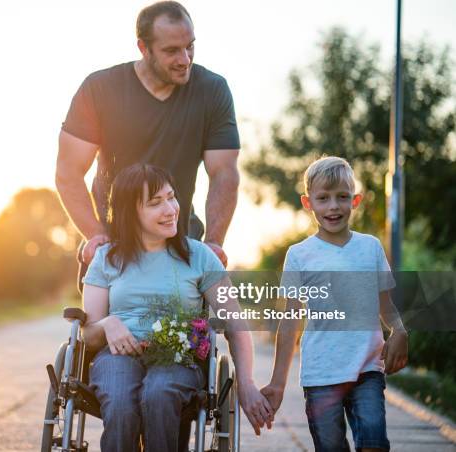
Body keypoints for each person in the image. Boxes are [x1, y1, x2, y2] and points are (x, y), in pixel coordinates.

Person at [81, 164, 273, 452]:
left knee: (159, 394)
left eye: (171, 197)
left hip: (179, 356)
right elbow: (88, 334)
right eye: (156, 203)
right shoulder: (106, 258)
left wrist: (245, 383)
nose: (170, 209)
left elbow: (234, 323)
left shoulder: (199, 256)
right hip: (117, 356)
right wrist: (108, 324)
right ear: (130, 213)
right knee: (120, 402)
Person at [55, 1, 240, 292]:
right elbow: (68, 172)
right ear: (143, 48)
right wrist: (96, 234)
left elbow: (224, 173)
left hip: (180, 240)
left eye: (190, 46)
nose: (185, 59)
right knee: (102, 334)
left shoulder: (212, 90)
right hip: (114, 242)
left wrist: (214, 243)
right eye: (171, 51)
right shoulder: (100, 89)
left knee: (192, 336)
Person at [260, 156, 408, 452]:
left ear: (355, 200)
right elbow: (290, 321)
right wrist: (277, 383)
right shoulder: (299, 255)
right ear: (308, 202)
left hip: (367, 369)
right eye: (323, 198)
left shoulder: (370, 248)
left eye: (342, 197)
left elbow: (385, 304)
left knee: (374, 442)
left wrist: (400, 331)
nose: (333, 207)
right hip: (321, 374)